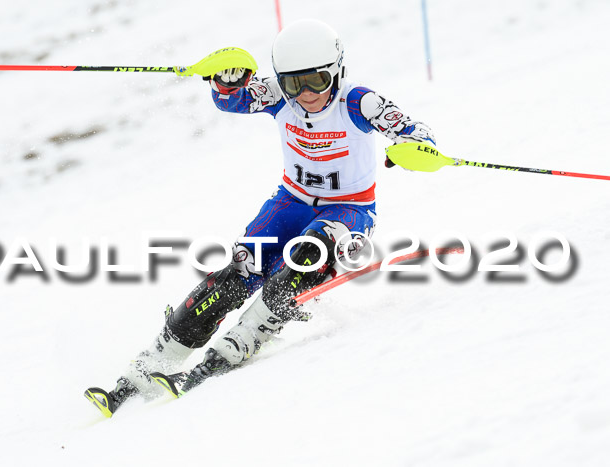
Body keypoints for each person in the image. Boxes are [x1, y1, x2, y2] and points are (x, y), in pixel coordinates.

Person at [85, 19, 436, 417]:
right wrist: (227, 81)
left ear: (336, 71)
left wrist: (415, 148)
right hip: (291, 201)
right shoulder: (279, 96)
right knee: (239, 272)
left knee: (308, 256)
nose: (305, 94)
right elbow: (233, 100)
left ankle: (237, 344)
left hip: (349, 207)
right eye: (293, 84)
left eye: (316, 81)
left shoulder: (359, 102)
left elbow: (414, 130)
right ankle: (151, 365)